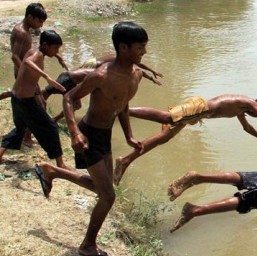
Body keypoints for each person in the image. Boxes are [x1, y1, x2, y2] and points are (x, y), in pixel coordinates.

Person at [34, 21, 149, 256]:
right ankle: (87, 245)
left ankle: (52, 171)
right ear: (123, 47)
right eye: (140, 48)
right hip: (89, 135)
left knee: (104, 189)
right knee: (108, 196)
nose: (144, 53)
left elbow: (123, 105)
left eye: (145, 47)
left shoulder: (136, 74)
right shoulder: (101, 76)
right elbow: (68, 97)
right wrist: (75, 132)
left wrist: (128, 136)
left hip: (105, 134)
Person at [114, 94, 257, 184]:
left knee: (164, 137)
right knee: (166, 118)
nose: (254, 116)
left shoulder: (242, 110)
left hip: (197, 114)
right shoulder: (249, 103)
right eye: (256, 113)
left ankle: (125, 160)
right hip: (199, 108)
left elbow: (247, 127)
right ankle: (123, 109)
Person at [0, 30, 67, 167]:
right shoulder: (37, 55)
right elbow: (28, 62)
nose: (56, 51)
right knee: (51, 128)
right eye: (55, 48)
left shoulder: (34, 50)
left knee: (21, 128)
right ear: (45, 45)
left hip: (16, 98)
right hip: (26, 102)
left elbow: (32, 57)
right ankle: (60, 164)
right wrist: (47, 77)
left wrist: (58, 57)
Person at [7, 2, 68, 146]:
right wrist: (25, 72)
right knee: (38, 105)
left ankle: (25, 135)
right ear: (30, 17)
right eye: (39, 21)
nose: (41, 25)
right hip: (25, 75)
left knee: (33, 104)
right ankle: (27, 137)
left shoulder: (24, 30)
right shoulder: (22, 32)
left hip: (26, 75)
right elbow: (15, 56)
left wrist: (57, 55)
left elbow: (32, 49)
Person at [41, 54, 163, 122]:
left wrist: (153, 76)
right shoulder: (104, 70)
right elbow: (140, 67)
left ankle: (52, 119)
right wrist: (153, 74)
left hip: (78, 72)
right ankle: (43, 115)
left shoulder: (118, 61)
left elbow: (140, 69)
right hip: (75, 75)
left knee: (74, 102)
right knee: (48, 93)